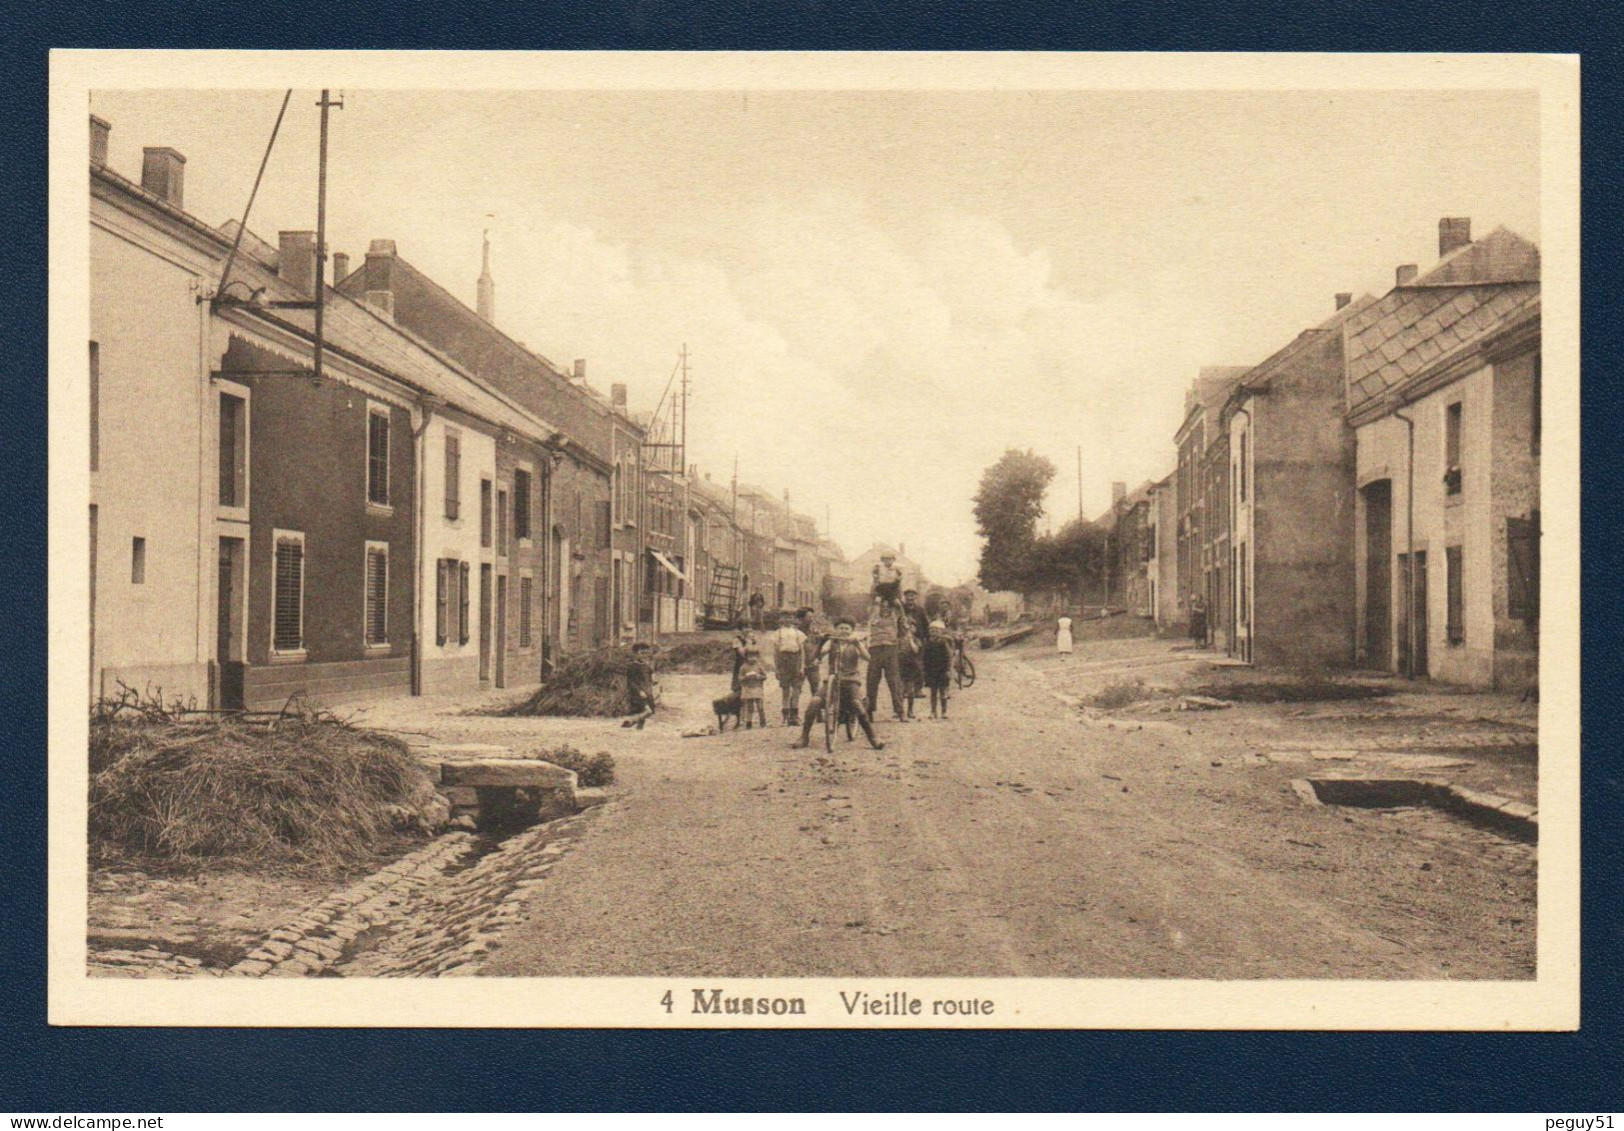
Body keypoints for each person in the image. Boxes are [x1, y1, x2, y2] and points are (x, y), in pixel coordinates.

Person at [794, 617, 884, 751]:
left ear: (851, 631)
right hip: (833, 681)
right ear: (835, 630)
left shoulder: (856, 642)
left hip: (851, 681)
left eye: (847, 629)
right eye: (840, 628)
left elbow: (868, 657)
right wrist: (820, 643)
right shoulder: (832, 643)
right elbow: (814, 657)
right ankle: (804, 737)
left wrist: (857, 644)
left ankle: (873, 738)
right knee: (815, 702)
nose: (843, 631)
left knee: (857, 705)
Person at [865, 595, 907, 723]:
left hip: (891, 649)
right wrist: (877, 602)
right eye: (882, 606)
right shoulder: (874, 614)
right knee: (872, 681)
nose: (885, 608)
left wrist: (899, 605)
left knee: (894, 682)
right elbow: (873, 615)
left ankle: (900, 712)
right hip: (875, 649)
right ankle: (869, 711)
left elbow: (902, 616)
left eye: (887, 606)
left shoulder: (894, 616)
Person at [771, 614, 808, 726]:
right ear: (781, 619)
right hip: (783, 661)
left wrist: (802, 666)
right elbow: (776, 652)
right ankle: (785, 717)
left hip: (795, 660)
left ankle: (794, 716)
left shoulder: (798, 633)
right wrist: (777, 668)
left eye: (790, 617)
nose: (788, 620)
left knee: (796, 689)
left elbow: (802, 651)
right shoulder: (778, 633)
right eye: (785, 617)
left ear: (794, 619)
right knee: (785, 690)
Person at [621, 642, 658, 729]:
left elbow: (651, 677)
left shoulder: (646, 666)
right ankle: (631, 720)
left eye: (646, 653)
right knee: (647, 711)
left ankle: (638, 730)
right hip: (638, 693)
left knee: (650, 712)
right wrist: (639, 691)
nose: (644, 656)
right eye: (642, 653)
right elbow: (630, 682)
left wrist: (653, 681)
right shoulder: (632, 666)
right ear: (635, 654)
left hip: (648, 692)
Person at [922, 618, 953, 719]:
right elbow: (925, 658)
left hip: (942, 670)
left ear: (941, 632)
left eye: (936, 631)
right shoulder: (927, 644)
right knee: (933, 692)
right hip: (931, 671)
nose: (934, 633)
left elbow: (948, 657)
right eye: (932, 631)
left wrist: (948, 669)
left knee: (943, 692)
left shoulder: (943, 643)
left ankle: (944, 711)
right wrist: (925, 670)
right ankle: (933, 711)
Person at [738, 645, 768, 729]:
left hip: (757, 688)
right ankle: (749, 723)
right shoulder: (743, 667)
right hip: (748, 689)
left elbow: (765, 676)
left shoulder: (759, 666)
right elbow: (739, 678)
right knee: (750, 707)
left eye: (754, 656)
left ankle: (763, 722)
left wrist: (758, 676)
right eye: (750, 656)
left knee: (760, 707)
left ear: (757, 656)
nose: (752, 658)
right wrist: (746, 677)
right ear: (746, 657)